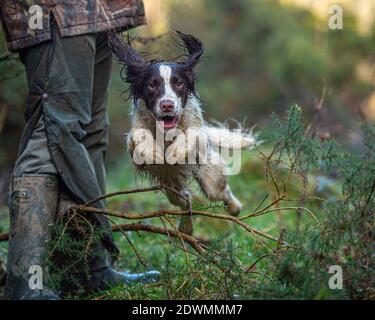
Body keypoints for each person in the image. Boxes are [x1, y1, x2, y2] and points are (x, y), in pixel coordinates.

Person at [0, 0, 158, 300]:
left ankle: (87, 270)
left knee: (91, 135)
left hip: (101, 11)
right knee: (52, 132)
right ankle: (25, 283)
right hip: (52, 10)